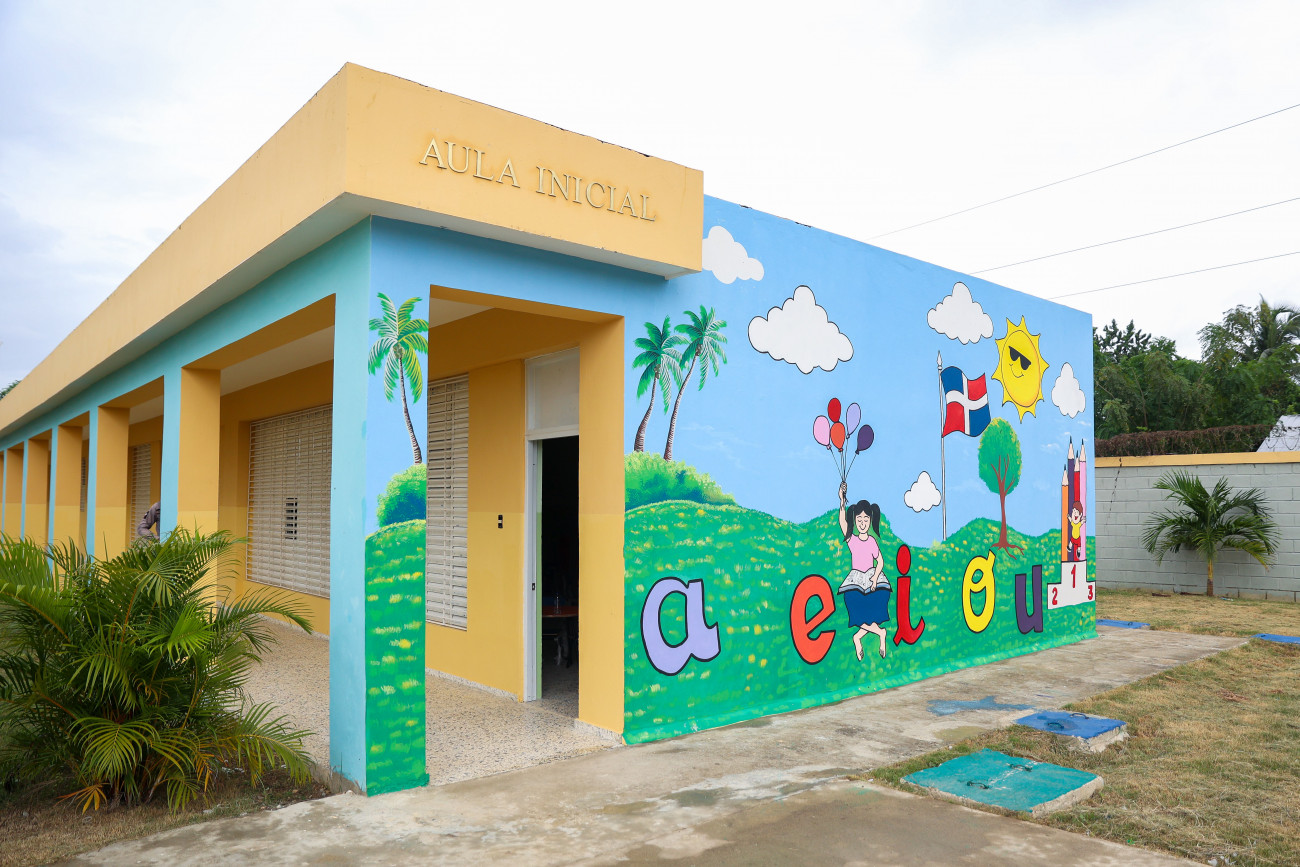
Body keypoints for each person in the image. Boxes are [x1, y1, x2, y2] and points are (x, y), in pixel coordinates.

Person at [837, 482, 891, 661]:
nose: (862, 523)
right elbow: (842, 522)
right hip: (855, 580)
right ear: (855, 520)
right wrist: (842, 501)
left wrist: (875, 578)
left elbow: (880, 561)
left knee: (867, 614)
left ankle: (862, 637)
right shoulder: (852, 540)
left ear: (870, 520)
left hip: (870, 578)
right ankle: (879, 633)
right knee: (856, 611)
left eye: (865, 520)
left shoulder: (872, 542)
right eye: (859, 520)